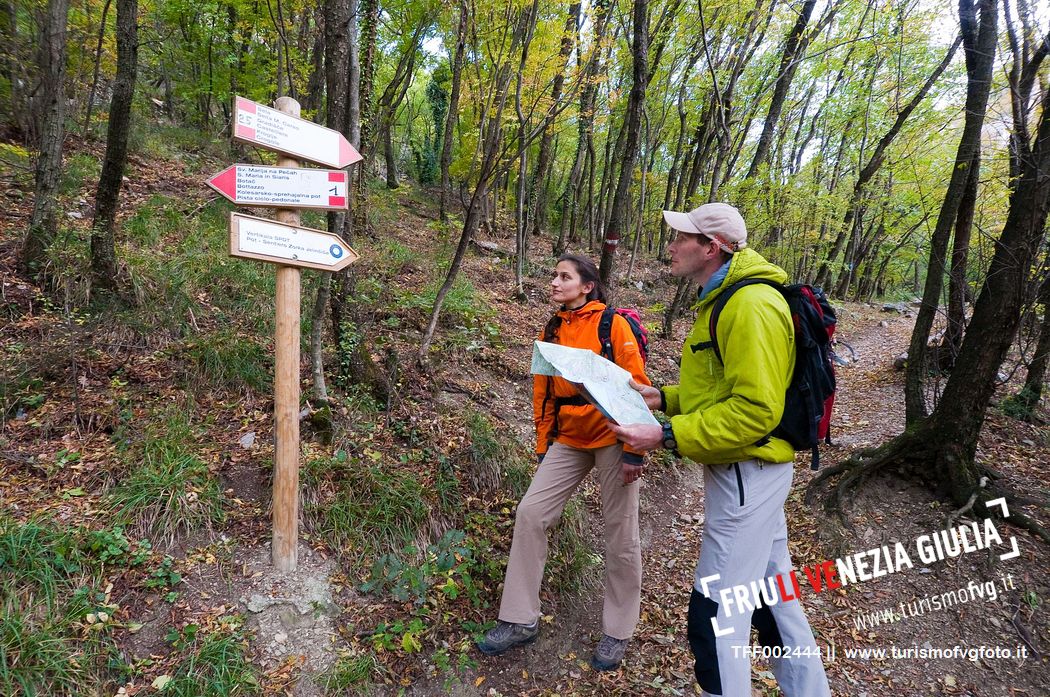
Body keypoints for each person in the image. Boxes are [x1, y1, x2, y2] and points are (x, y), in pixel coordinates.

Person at [610, 203, 831, 697]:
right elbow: (722, 387)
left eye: (680, 237)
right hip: (751, 475)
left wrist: (667, 434)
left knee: (715, 615)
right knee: (774, 600)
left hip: (745, 473)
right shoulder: (723, 298)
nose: (670, 246)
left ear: (711, 247)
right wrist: (664, 398)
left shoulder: (749, 305)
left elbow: (755, 411)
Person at [477, 254, 652, 672]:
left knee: (620, 531)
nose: (554, 282)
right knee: (531, 513)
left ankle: (618, 629)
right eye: (554, 275)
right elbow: (543, 390)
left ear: (587, 285)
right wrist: (544, 444)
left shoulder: (614, 325)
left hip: (614, 435)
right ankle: (521, 619)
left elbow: (638, 387)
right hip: (568, 438)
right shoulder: (553, 327)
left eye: (564, 276)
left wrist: (634, 450)